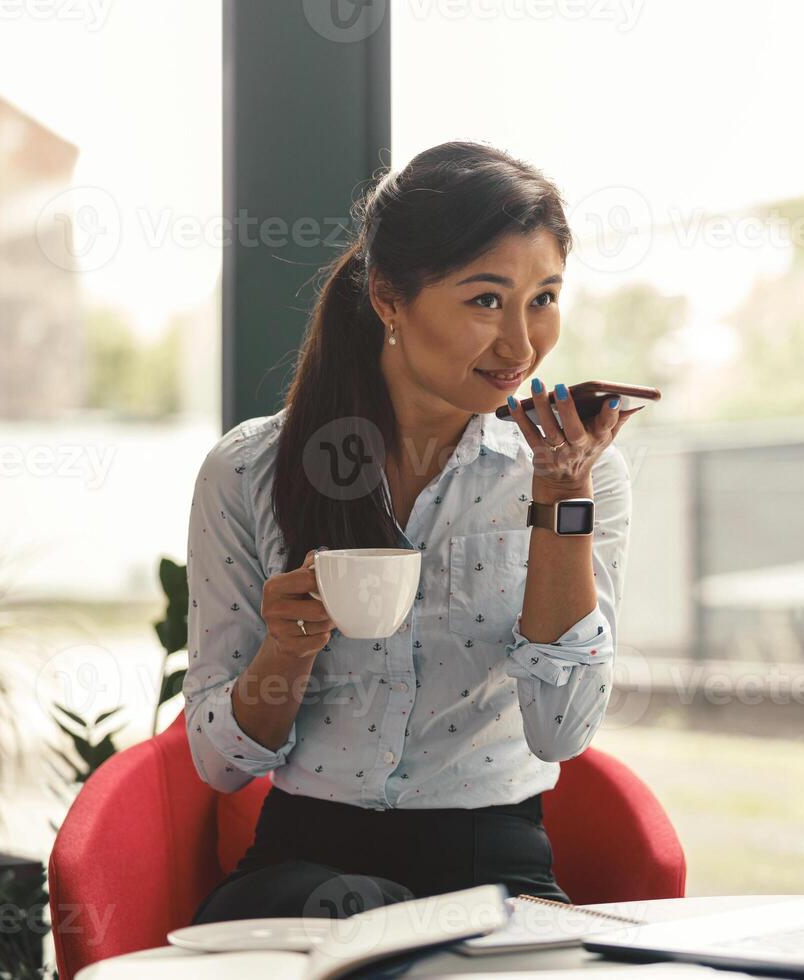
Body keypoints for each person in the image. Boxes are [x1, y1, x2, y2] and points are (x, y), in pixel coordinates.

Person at [184, 142, 643, 924]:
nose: (521, 346)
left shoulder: (578, 473)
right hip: (303, 867)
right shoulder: (249, 469)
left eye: (544, 298)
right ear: (390, 298)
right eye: (486, 300)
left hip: (493, 862)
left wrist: (559, 496)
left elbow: (562, 732)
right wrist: (286, 649)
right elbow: (220, 765)